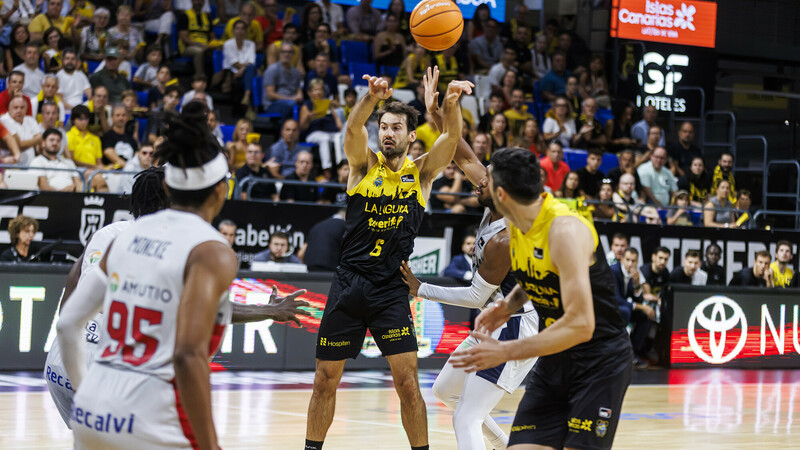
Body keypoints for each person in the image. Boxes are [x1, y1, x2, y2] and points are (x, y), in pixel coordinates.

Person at [52, 161, 309, 437]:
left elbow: (71, 289)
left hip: (60, 361)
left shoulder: (108, 235)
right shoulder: (176, 250)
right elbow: (205, 317)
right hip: (113, 369)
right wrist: (268, 310)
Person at [305, 69, 471, 450]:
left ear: (411, 136)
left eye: (396, 127)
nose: (388, 133)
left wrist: (450, 103)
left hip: (389, 290)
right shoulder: (363, 166)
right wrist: (370, 99)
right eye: (384, 126)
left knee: (408, 383)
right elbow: (352, 129)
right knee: (323, 380)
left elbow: (451, 138)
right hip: (348, 284)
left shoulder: (422, 174)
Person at [448, 146, 632, 449]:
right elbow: (540, 275)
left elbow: (581, 325)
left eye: (488, 180)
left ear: (502, 195)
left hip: (600, 360)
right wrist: (507, 306)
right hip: (556, 358)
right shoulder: (517, 221)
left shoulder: (564, 231)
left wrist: (507, 351)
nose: (480, 183)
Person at [263, 41, 304, 120]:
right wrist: (291, 99)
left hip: (292, 101)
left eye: (289, 52)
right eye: (283, 51)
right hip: (273, 104)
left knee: (308, 105)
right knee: (290, 105)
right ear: (279, 54)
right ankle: (285, 130)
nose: (286, 54)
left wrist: (299, 96)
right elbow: (270, 95)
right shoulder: (272, 70)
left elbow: (299, 90)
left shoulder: (296, 73)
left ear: (293, 54)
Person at [177, 0, 215, 77]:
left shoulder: (207, 17)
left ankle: (218, 80)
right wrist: (199, 45)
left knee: (220, 51)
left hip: (205, 45)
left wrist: (214, 44)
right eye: (196, 1)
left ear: (204, 2)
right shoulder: (185, 16)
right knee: (199, 51)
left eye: (200, 1)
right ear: (192, 1)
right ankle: (199, 76)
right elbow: (184, 38)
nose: (198, 3)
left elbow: (212, 36)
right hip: (188, 47)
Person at [1, 96, 42, 165]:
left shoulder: (30, 120)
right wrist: (36, 140)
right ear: (9, 109)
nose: (19, 110)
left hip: (31, 165)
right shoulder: (5, 120)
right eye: (16, 107)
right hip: (11, 165)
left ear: (26, 109)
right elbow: (18, 145)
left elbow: (40, 139)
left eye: (22, 107)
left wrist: (38, 140)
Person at [610, 247, 645, 324]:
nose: (630, 264)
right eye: (628, 260)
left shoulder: (636, 273)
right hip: (611, 305)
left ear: (637, 262)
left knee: (644, 314)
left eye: (633, 261)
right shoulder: (614, 271)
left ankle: (635, 336)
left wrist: (636, 285)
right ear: (622, 259)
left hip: (623, 305)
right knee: (626, 311)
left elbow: (639, 300)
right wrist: (642, 307)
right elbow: (617, 299)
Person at [101, 104, 138, 168]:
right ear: (112, 117)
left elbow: (137, 156)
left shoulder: (131, 139)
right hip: (113, 173)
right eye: (118, 115)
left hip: (130, 172)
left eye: (123, 115)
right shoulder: (107, 136)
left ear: (127, 118)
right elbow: (108, 153)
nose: (121, 118)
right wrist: (128, 167)